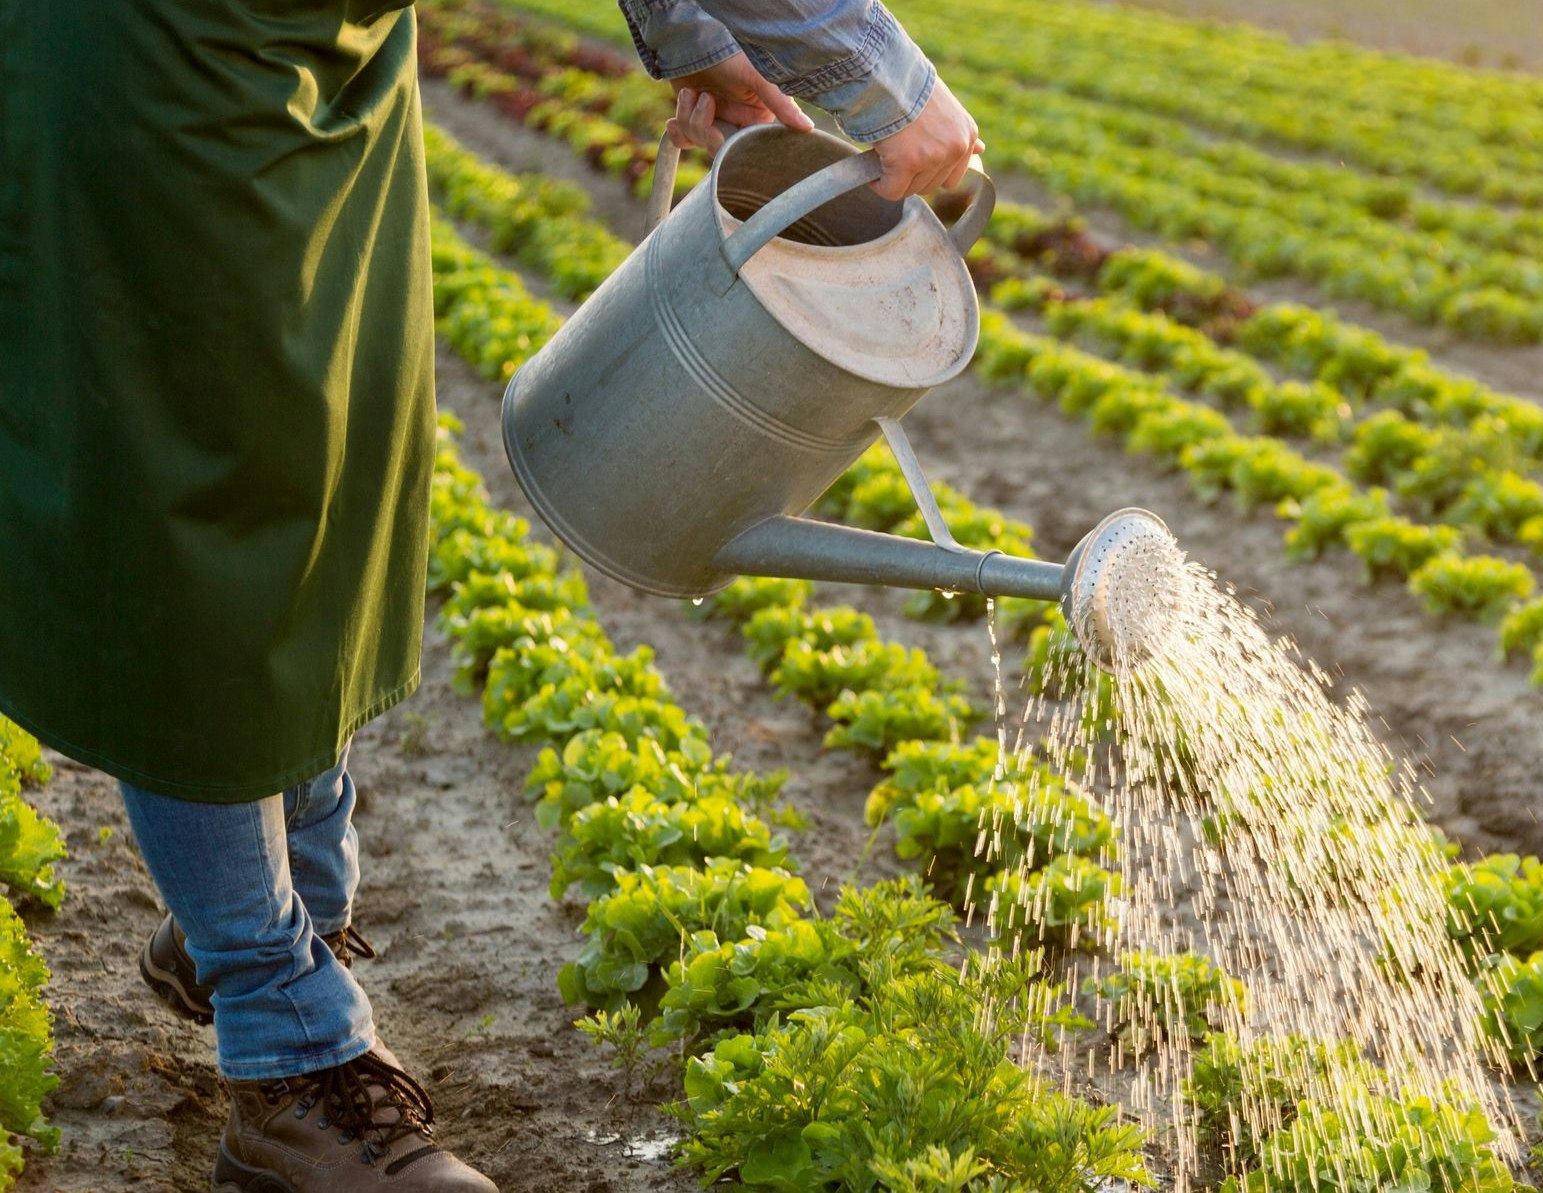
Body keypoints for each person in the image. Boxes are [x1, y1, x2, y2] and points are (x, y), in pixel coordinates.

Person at [0, 0, 980, 1188]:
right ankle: (283, 1035)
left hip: (331, 48)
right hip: (165, 47)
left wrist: (693, 33)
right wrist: (879, 78)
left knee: (336, 454)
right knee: (202, 490)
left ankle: (273, 905)